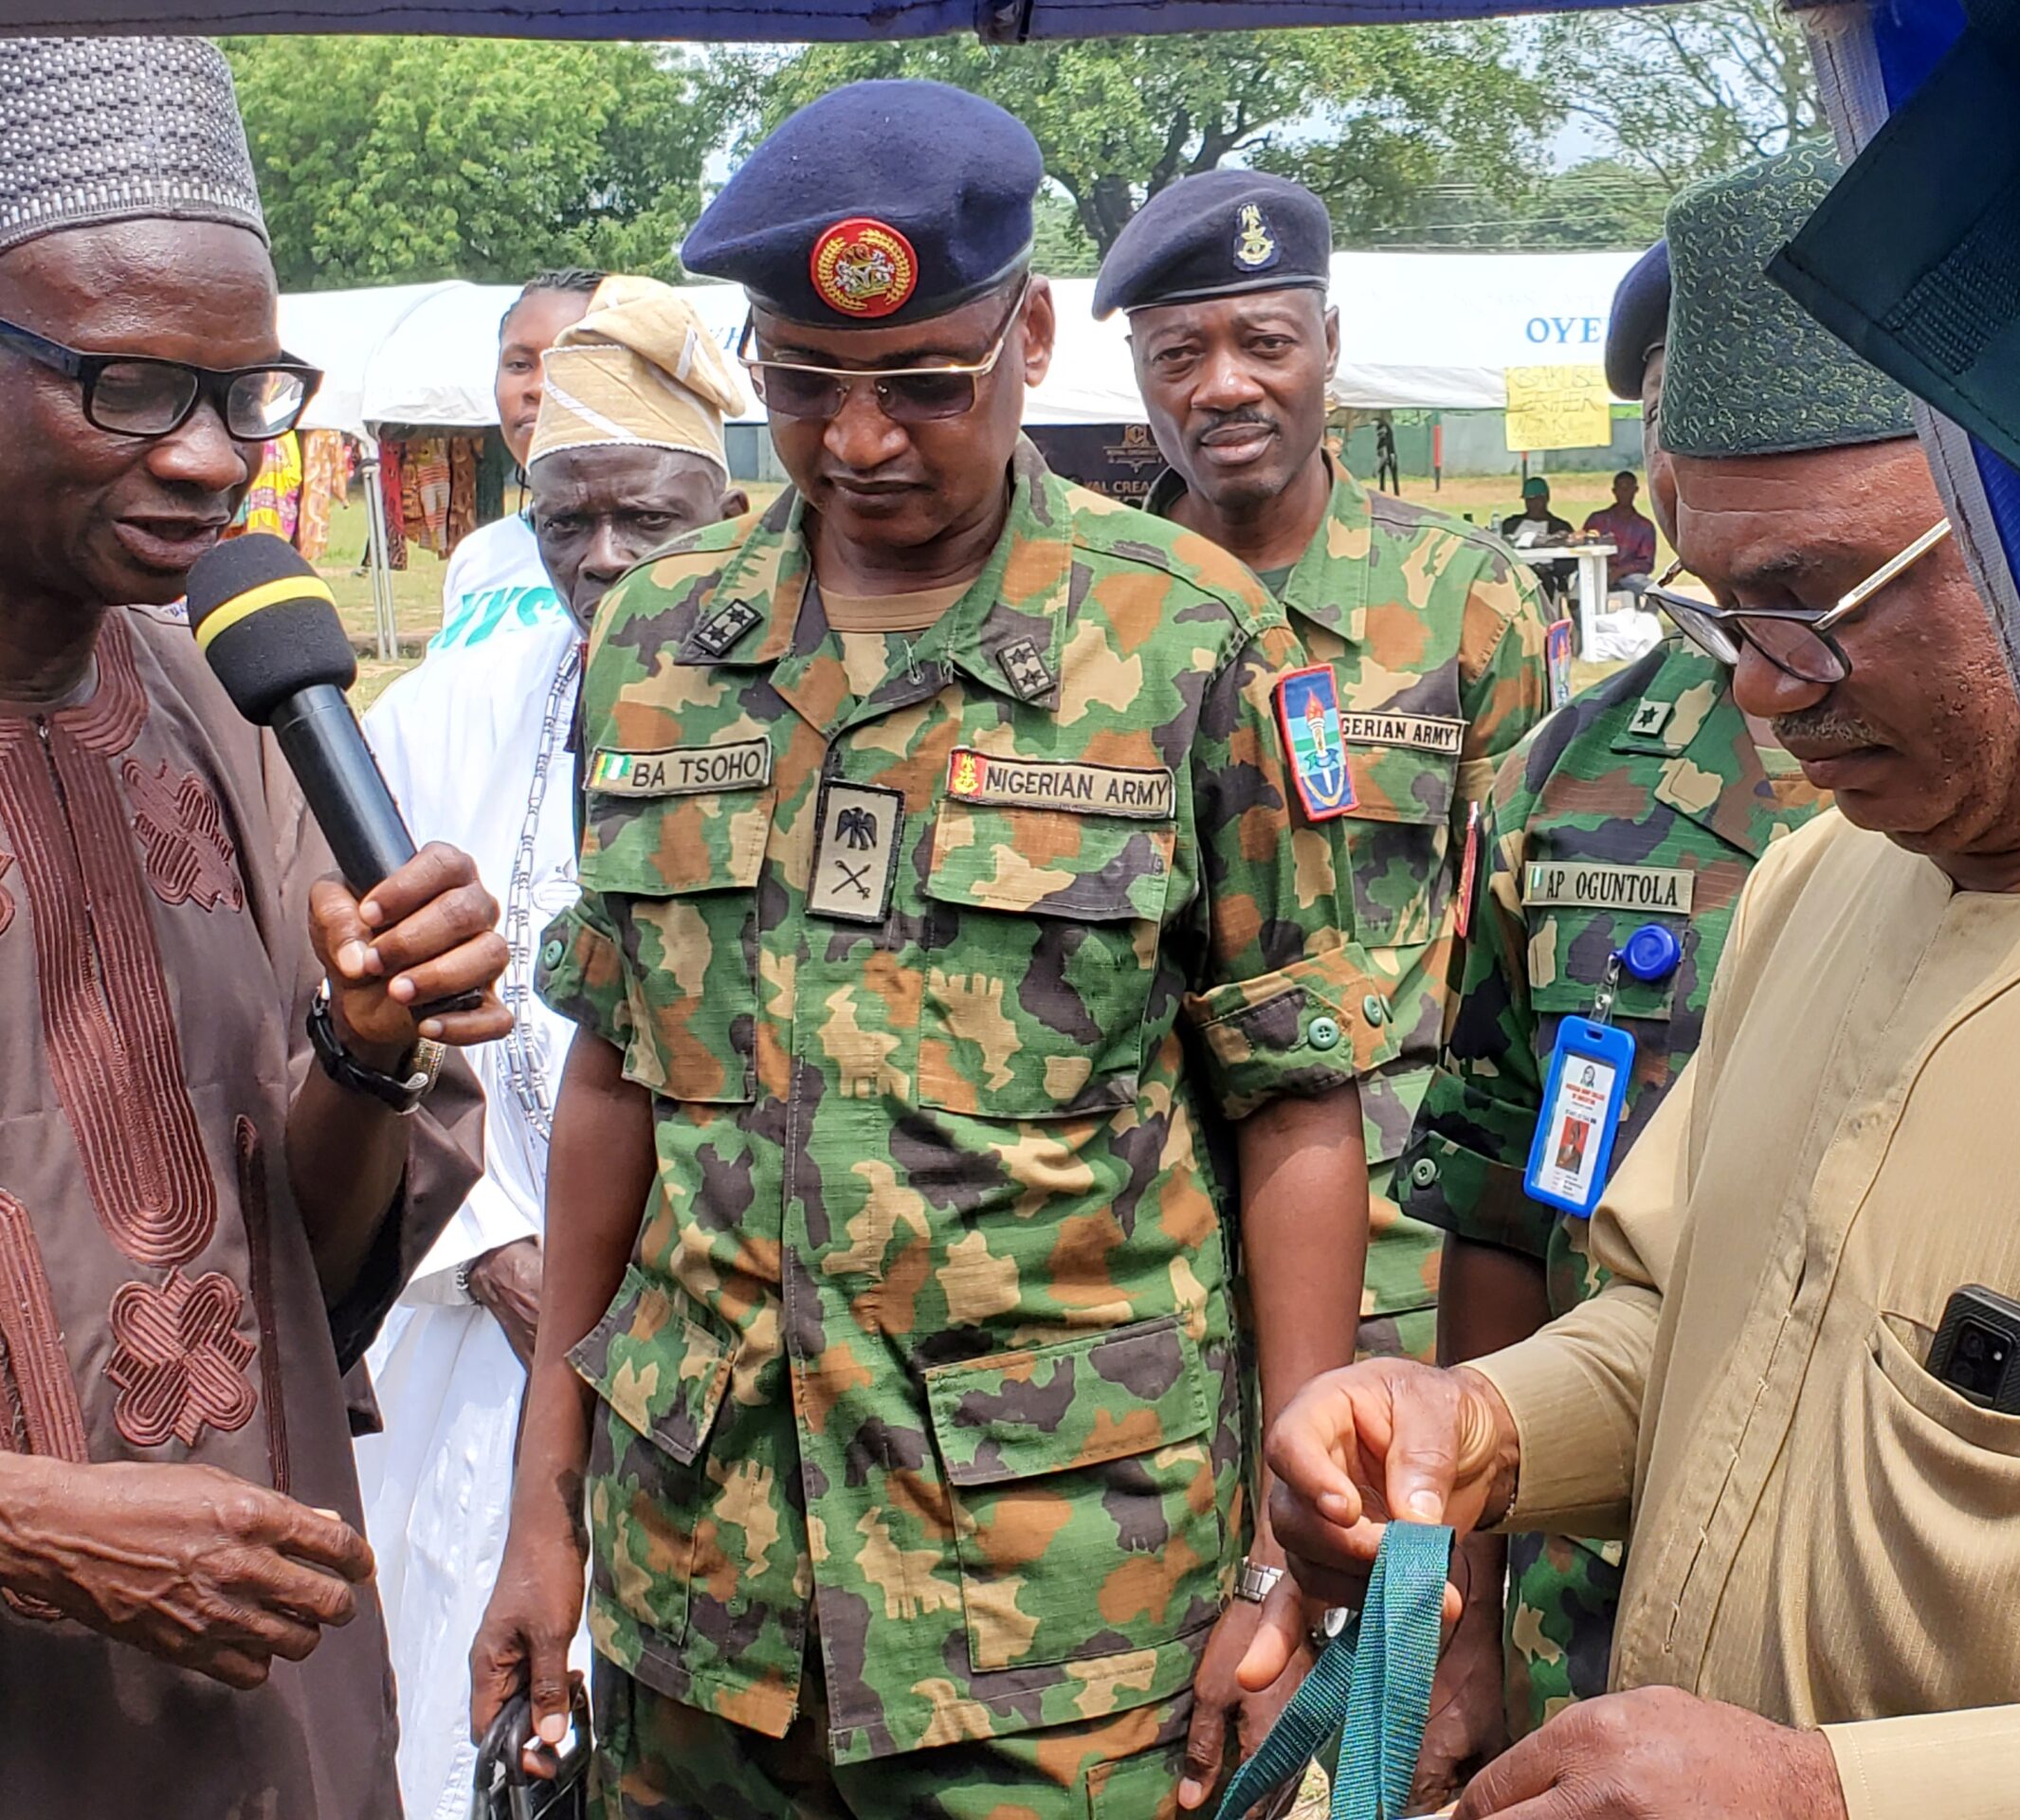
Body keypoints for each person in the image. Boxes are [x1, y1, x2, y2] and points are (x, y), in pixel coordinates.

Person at [1253, 143, 2020, 1820]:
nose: (1761, 694)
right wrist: (1476, 1426)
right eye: (1721, 608)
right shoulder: (1818, 885)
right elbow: (1696, 1336)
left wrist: (1835, 1795)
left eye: (1812, 603)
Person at [471, 81, 1383, 1819]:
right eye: (805, 384)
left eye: (923, 385)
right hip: (703, 1595)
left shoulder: (1192, 643)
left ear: (1027, 340)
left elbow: (1295, 1102)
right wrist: (543, 1510)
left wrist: (1287, 1556)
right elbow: (614, 1079)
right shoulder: (660, 642)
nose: (862, 439)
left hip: (1062, 1611)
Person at [0, 37, 510, 1819]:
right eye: (134, 386)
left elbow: (301, 1259)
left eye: (248, 393)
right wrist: (28, 1525)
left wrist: (368, 1056)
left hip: (266, 1708)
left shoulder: (232, 709)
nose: (212, 461)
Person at [1092, 166, 1555, 1802]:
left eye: (1264, 343)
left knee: (1396, 1707)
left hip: (1410, 1257)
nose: (1224, 386)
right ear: (1135, 375)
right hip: (1147, 1258)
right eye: (1180, 353)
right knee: (1165, 1703)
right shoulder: (1094, 609)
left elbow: (1512, 950)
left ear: (1330, 347)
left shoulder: (1470, 599)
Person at [1393, 234, 1826, 1797]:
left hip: (1879, 1632)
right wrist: (1461, 1627)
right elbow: (1498, 1207)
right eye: (1679, 416)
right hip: (1587, 1593)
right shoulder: (1570, 779)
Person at [357, 276, 752, 1820]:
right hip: (485, 1330)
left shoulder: (822, 721)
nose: (601, 557)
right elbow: (359, 1010)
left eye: (645, 519)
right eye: (565, 519)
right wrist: (492, 1245)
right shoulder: (438, 718)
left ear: (727, 515)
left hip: (731, 1357)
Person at [426, 268, 604, 652]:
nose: (537, 387)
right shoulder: (480, 557)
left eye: (566, 362)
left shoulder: (670, 554)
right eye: (520, 365)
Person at [1500, 476, 1575, 598]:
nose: (1533, 504)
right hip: (1514, 572)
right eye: (1529, 500)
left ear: (1547, 499)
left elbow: (1568, 562)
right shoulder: (1511, 524)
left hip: (1544, 576)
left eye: (1538, 499)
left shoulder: (1560, 527)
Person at [1580, 470, 1658, 582]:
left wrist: (1620, 571)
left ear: (1636, 490)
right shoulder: (1597, 519)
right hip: (1596, 573)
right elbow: (1584, 548)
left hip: (1628, 576)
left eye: (1628, 488)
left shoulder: (1645, 526)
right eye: (1621, 488)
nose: (1624, 492)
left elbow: (1646, 563)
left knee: (1646, 585)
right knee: (1580, 583)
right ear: (1614, 491)